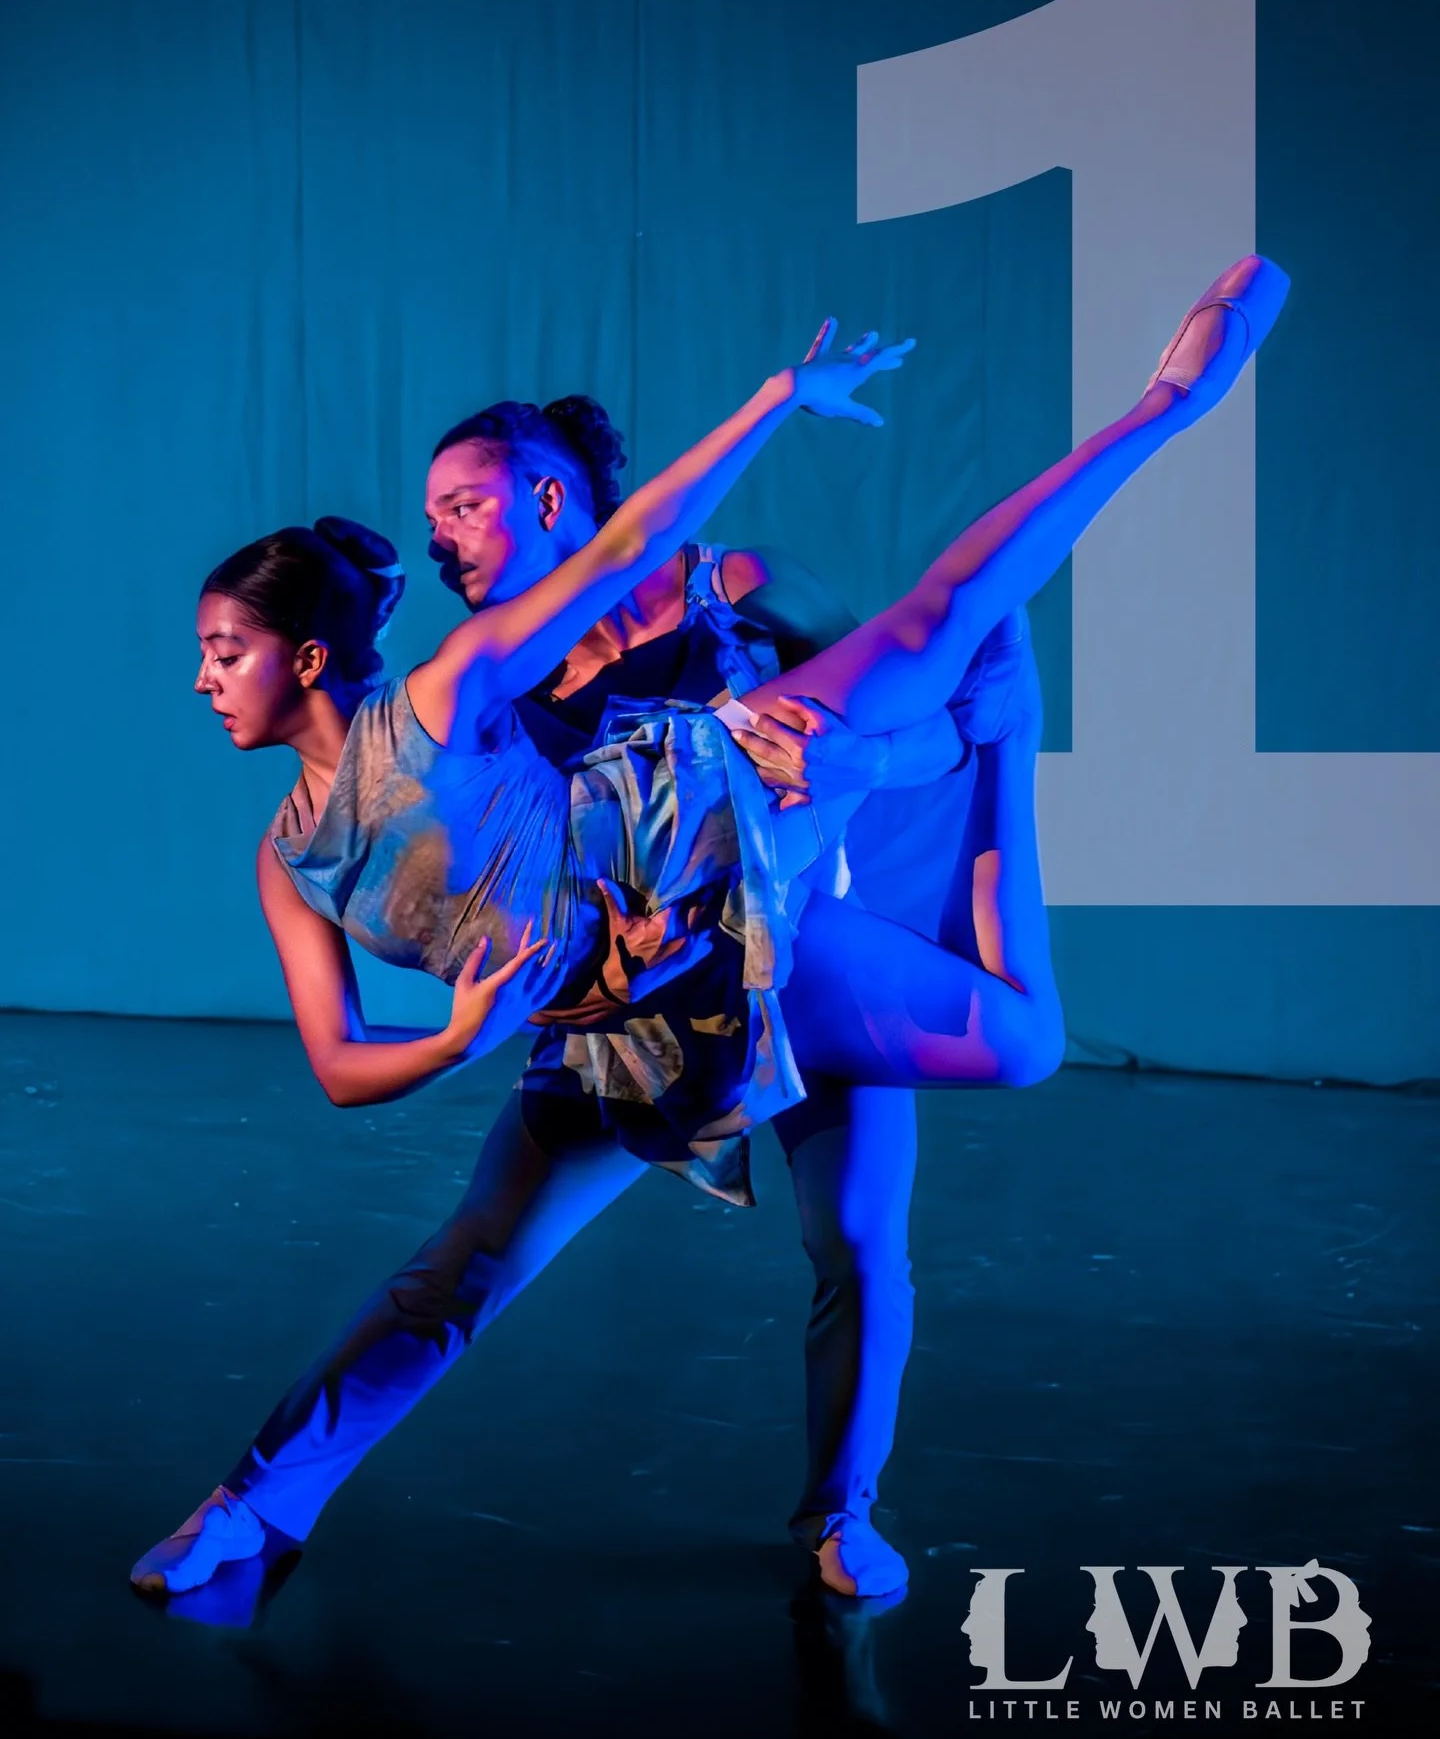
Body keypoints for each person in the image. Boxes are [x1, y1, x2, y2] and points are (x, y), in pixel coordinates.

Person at [133, 255, 1288, 1605]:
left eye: (467, 503)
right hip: (618, 1007)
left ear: (546, 493)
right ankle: (250, 1504)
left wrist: (839, 756)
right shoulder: (488, 687)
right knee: (463, 1266)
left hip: (774, 914)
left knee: (863, 1227)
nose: (441, 534)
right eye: (432, 514)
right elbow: (399, 987)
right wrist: (463, 1031)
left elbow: (902, 694)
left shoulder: (698, 592)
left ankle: (838, 1512)